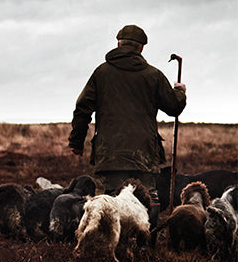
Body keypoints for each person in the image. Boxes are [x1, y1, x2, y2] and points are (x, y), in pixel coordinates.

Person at [68, 24, 186, 225]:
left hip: (110, 151)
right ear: (141, 48)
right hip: (145, 152)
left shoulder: (101, 73)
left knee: (114, 199)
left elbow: (82, 109)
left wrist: (77, 142)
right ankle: (146, 245)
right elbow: (173, 107)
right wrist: (180, 92)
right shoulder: (153, 75)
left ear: (118, 44)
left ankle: (117, 244)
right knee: (149, 197)